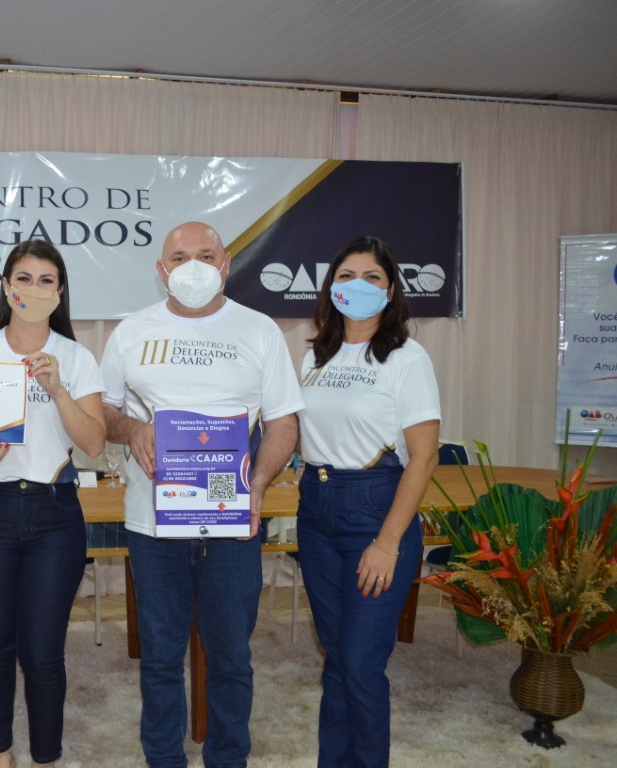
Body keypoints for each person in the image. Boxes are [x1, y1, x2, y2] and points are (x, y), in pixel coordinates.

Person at [100, 221, 303, 768]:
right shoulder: (131, 331)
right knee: (160, 658)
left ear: (226, 263)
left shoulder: (260, 330)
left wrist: (256, 488)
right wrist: (132, 430)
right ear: (161, 270)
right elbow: (103, 411)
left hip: (233, 523)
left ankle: (228, 758)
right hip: (153, 525)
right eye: (180, 257)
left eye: (206, 255)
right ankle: (164, 759)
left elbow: (284, 423)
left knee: (232, 657)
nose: (193, 267)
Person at [0, 240, 106, 768]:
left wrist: (58, 391)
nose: (33, 289)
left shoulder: (76, 357)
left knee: (42, 652)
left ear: (59, 292)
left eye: (45, 281)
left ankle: (45, 758)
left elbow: (94, 443)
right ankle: (1, 755)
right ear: (5, 286)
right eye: (23, 278)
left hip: (54, 514)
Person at [295, 236, 440, 768]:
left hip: (376, 512)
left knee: (360, 662)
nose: (358, 285)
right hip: (316, 509)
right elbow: (293, 433)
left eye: (372, 277)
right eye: (346, 276)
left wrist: (387, 542)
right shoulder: (314, 355)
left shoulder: (406, 357)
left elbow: (423, 457)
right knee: (337, 655)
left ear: (391, 289)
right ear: (331, 287)